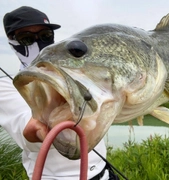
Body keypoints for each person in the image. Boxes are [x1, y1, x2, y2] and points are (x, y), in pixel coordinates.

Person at [0, 6, 110, 180]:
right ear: (11, 41)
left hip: (104, 174)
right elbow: (23, 126)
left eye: (45, 36)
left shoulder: (80, 74)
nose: (38, 42)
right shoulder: (4, 86)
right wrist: (35, 130)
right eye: (26, 38)